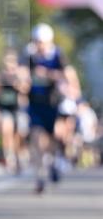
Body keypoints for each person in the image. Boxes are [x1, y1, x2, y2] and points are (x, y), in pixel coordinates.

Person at [19, 23, 70, 193]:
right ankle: (39, 176)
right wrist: (22, 81)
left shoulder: (57, 54)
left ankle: (54, 162)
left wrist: (47, 74)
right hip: (35, 103)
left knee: (54, 138)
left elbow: (65, 75)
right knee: (36, 139)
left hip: (53, 103)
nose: (39, 45)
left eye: (41, 42)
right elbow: (23, 73)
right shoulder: (29, 55)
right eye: (36, 42)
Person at [0, 50, 23, 172]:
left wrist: (18, 84)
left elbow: (25, 90)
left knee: (17, 135)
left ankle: (17, 157)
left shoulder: (19, 75)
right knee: (6, 130)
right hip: (4, 108)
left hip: (17, 108)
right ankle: (8, 156)